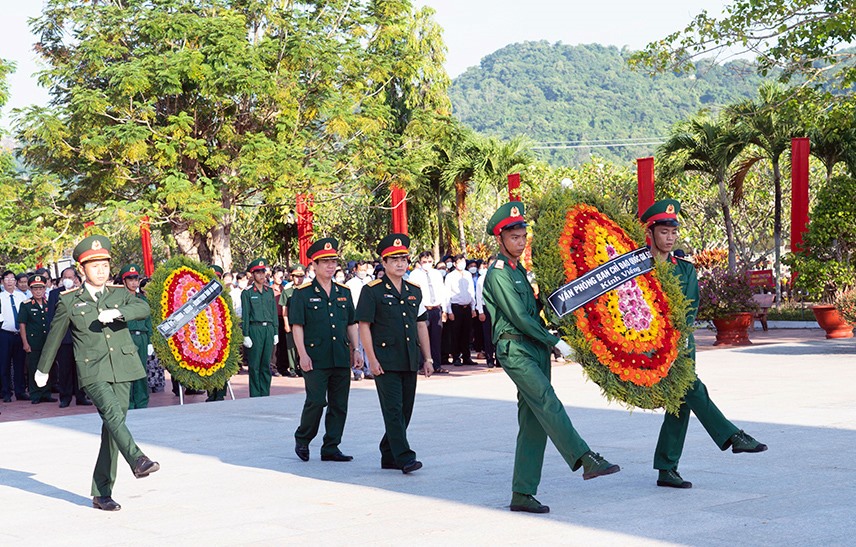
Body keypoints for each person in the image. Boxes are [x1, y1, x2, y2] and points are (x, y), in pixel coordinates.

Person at [483, 202, 620, 514]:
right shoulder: (499, 275)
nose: (520, 242)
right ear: (500, 239)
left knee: (533, 421)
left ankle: (522, 493)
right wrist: (554, 340)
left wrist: (556, 333)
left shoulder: (521, 273)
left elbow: (536, 312)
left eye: (522, 237)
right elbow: (518, 317)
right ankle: (586, 458)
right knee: (547, 401)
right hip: (515, 349)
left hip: (535, 349)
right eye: (514, 237)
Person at [641, 200, 767, 489]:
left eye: (674, 232)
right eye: (664, 232)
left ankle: (667, 468)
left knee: (682, 403)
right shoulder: (638, 267)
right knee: (692, 389)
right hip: (646, 344)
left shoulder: (684, 270)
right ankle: (732, 435)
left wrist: (672, 343)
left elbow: (688, 309)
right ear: (651, 233)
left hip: (680, 343)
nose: (670, 238)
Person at [35, 235, 159, 511]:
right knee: (114, 418)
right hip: (93, 370)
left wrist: (117, 312)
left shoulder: (119, 293)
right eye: (94, 266)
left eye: (104, 265)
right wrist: (43, 369)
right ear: (82, 270)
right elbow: (54, 337)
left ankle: (101, 492)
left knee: (112, 429)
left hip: (124, 367)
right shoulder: (69, 301)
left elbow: (143, 307)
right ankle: (138, 459)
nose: (101, 270)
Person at [356, 233, 433, 474]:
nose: (400, 263)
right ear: (384, 262)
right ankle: (405, 457)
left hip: (409, 357)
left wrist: (428, 358)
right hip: (385, 360)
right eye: (394, 259)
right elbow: (364, 326)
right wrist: (372, 360)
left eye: (403, 259)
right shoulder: (372, 291)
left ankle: (388, 453)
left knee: (405, 410)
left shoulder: (414, 290)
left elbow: (421, 324)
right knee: (392, 409)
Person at [290, 238, 362, 462]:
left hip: (340, 355)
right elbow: (297, 326)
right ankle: (303, 438)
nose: (331, 266)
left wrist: (356, 349)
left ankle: (331, 446)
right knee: (317, 401)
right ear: (314, 265)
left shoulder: (344, 291)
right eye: (325, 262)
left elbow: (351, 323)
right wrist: (302, 354)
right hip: (315, 356)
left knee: (339, 404)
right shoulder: (302, 293)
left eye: (333, 262)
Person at [406, 251, 449, 374]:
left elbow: (442, 291)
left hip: (436, 308)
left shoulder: (437, 274)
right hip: (422, 309)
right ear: (420, 262)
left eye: (429, 262)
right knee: (422, 338)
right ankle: (421, 365)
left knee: (436, 338)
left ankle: (437, 365)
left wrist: (444, 310)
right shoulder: (414, 275)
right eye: (424, 262)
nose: (427, 264)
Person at [18, 273, 57, 404]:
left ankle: (46, 393)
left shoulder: (48, 304)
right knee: (34, 368)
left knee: (47, 368)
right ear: (31, 290)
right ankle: (35, 395)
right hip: (33, 342)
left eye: (41, 288)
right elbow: (22, 324)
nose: (38, 291)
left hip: (47, 342)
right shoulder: (26, 305)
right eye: (35, 289)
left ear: (45, 289)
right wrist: (25, 342)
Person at [242, 258, 278, 397]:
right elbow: (246, 314)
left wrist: (275, 331)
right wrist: (245, 334)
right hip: (255, 329)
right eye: (258, 272)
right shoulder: (248, 292)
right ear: (252, 274)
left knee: (266, 364)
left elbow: (274, 312)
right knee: (254, 365)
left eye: (263, 272)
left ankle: (265, 392)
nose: (262, 275)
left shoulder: (269, 292)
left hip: (268, 329)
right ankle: (255, 394)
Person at [119, 264, 153, 410]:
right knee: (128, 372)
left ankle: (142, 401)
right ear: (124, 281)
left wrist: (150, 341)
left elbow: (149, 321)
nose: (134, 282)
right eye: (130, 279)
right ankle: (130, 402)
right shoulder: (120, 300)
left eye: (136, 279)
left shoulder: (142, 299)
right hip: (127, 337)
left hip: (142, 338)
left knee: (141, 371)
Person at [1, 269, 28, 402]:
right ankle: (6, 392)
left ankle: (20, 391)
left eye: (12, 279)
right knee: (4, 364)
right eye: (7, 279)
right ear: (2, 282)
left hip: (20, 334)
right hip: (5, 335)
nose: (10, 281)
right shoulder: (0, 297)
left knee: (20, 364)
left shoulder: (22, 297)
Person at [444, 255, 477, 366]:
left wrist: (473, 307)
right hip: (456, 307)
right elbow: (447, 294)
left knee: (467, 333)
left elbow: (471, 292)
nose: (461, 264)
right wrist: (449, 311)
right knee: (455, 333)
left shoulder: (468, 274)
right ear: (455, 264)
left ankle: (466, 357)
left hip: (467, 307)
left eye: (463, 261)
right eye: (459, 262)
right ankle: (456, 357)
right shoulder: (450, 276)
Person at [279, 264, 306, 378]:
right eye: (296, 276)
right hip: (291, 322)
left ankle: (302, 367)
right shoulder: (287, 291)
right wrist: (286, 323)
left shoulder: (307, 290)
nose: (298, 279)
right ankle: (293, 367)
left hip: (305, 323)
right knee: (291, 346)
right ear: (291, 277)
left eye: (301, 277)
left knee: (304, 345)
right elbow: (284, 309)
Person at [475, 256, 496, 368]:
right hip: (486, 307)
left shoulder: (500, 277)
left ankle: (499, 358)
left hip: (497, 308)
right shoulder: (481, 279)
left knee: (498, 334)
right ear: (487, 265)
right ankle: (489, 358)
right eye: (491, 263)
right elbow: (479, 296)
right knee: (488, 335)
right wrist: (480, 311)